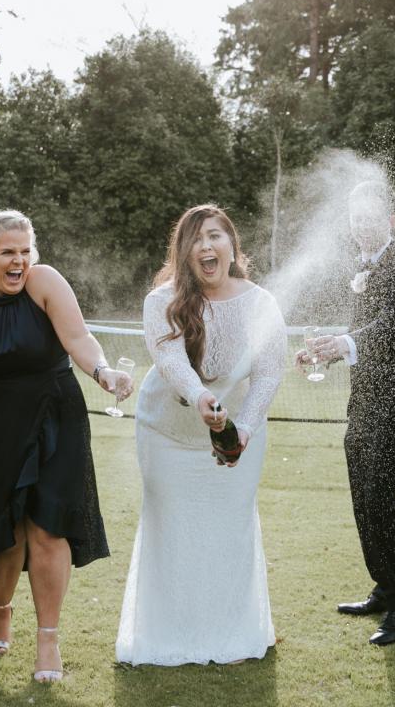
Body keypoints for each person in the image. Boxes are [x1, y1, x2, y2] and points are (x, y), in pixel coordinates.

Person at [0, 210, 129, 683]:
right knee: (5, 529)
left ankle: (48, 637)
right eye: (8, 252)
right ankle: (1, 610)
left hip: (56, 414)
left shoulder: (45, 282)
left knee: (48, 529)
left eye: (25, 251)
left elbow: (78, 337)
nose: (19, 261)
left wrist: (103, 372)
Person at [116, 204, 286, 666]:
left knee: (230, 532)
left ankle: (230, 636)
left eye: (215, 235)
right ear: (184, 252)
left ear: (232, 245)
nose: (206, 246)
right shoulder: (161, 301)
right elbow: (170, 360)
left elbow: (270, 372)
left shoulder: (262, 303)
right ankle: (166, 638)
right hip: (166, 433)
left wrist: (242, 427)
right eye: (195, 239)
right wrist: (202, 400)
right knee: (169, 530)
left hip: (239, 438)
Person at [296, 180, 395, 646]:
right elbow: (363, 332)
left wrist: (345, 342)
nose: (363, 227)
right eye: (356, 220)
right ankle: (383, 586)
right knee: (361, 496)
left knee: (379, 498)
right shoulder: (362, 264)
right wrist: (329, 351)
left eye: (372, 219)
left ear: (390, 221)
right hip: (365, 400)